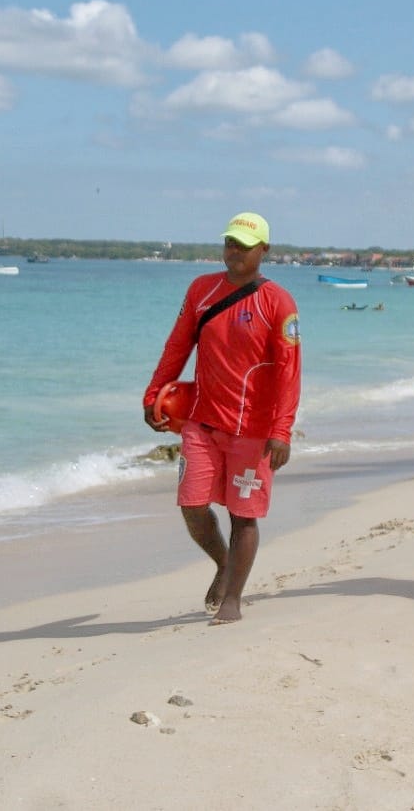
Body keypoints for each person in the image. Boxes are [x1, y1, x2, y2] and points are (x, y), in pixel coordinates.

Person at [143, 212, 301, 625]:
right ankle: (224, 562)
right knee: (192, 505)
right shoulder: (201, 290)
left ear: (264, 251)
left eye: (243, 246)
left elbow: (290, 372)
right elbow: (177, 346)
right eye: (230, 243)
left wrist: (281, 431)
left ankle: (232, 599)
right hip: (202, 421)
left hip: (253, 429)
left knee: (242, 515)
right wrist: (154, 393)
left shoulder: (278, 302)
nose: (234, 252)